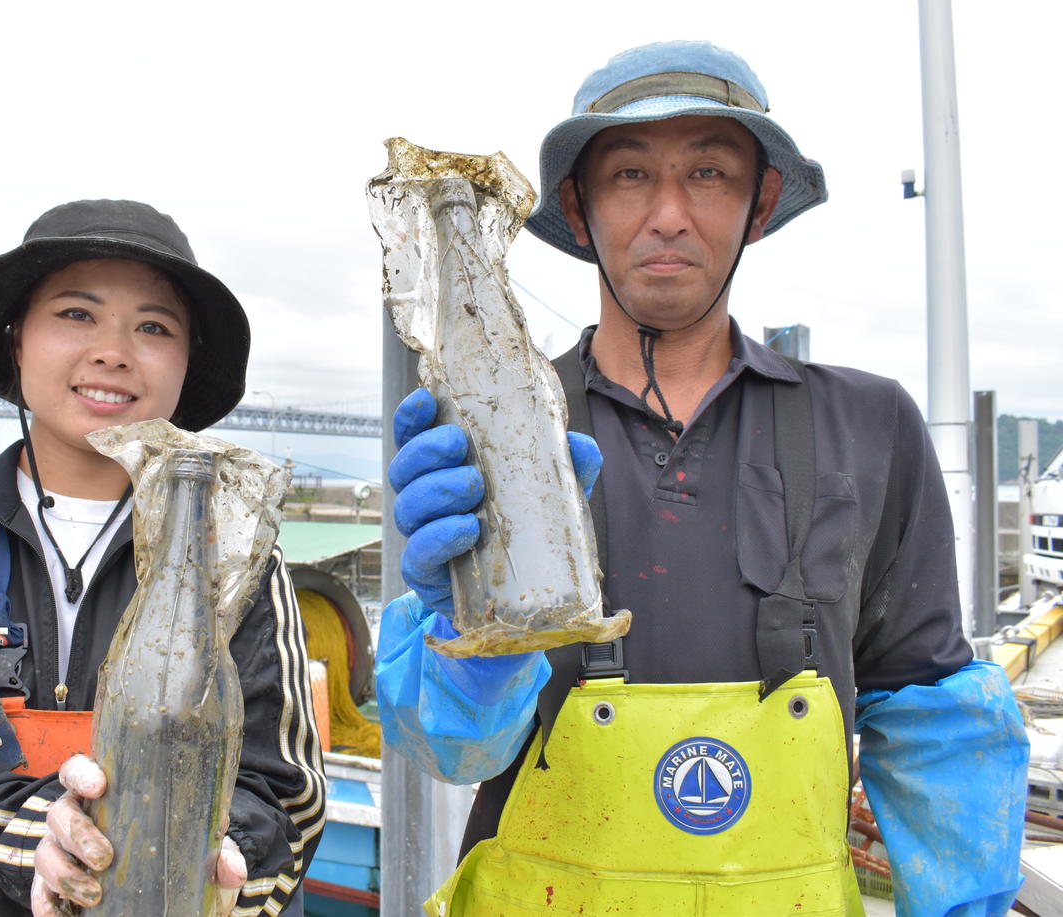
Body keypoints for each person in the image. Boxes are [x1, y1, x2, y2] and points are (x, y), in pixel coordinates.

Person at [376, 41, 1028, 917]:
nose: (670, 213)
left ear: (758, 203)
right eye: (632, 174)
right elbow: (454, 751)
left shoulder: (871, 427)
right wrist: (467, 644)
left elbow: (933, 725)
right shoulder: (492, 434)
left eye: (710, 172)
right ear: (579, 206)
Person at [0, 199, 326, 917]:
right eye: (76, 314)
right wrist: (34, 851)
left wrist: (222, 866)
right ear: (16, 340)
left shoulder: (234, 563)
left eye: (153, 326)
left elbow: (281, 794)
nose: (113, 350)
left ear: (185, 364)